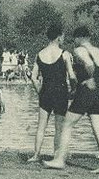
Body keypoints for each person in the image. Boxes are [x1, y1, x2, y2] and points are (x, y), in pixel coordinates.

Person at [44, 26, 99, 174]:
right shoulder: (98, 51)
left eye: (74, 39)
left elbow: (89, 65)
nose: (73, 42)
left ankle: (60, 160)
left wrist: (90, 79)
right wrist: (94, 79)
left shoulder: (79, 50)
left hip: (86, 91)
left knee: (67, 124)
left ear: (80, 38)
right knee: (98, 129)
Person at [28, 23, 75, 162]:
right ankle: (56, 155)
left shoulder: (40, 54)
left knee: (41, 126)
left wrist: (39, 92)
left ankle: (36, 155)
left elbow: (33, 77)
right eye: (63, 36)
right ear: (59, 37)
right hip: (60, 92)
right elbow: (71, 76)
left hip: (45, 92)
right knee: (59, 127)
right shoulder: (64, 54)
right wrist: (73, 89)